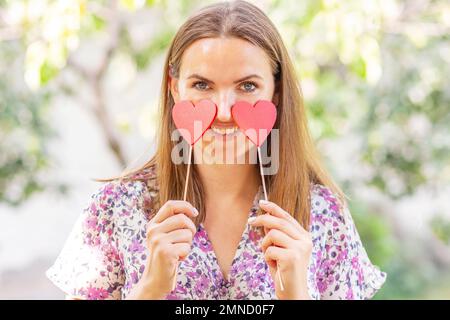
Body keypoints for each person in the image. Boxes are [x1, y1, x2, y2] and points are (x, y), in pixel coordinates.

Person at [46, 0, 386, 300]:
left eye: (248, 86)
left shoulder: (324, 214)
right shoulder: (115, 209)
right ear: (175, 90)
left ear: (276, 94)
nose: (224, 111)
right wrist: (149, 289)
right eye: (202, 85)